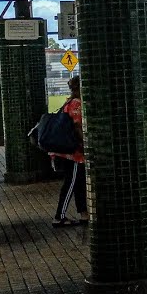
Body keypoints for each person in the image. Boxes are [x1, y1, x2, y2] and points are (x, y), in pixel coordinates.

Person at [51, 74, 87, 227]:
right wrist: (85, 145)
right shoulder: (77, 104)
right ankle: (59, 217)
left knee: (78, 182)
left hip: (66, 152)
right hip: (73, 153)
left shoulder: (68, 102)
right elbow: (78, 127)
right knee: (70, 184)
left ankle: (84, 214)